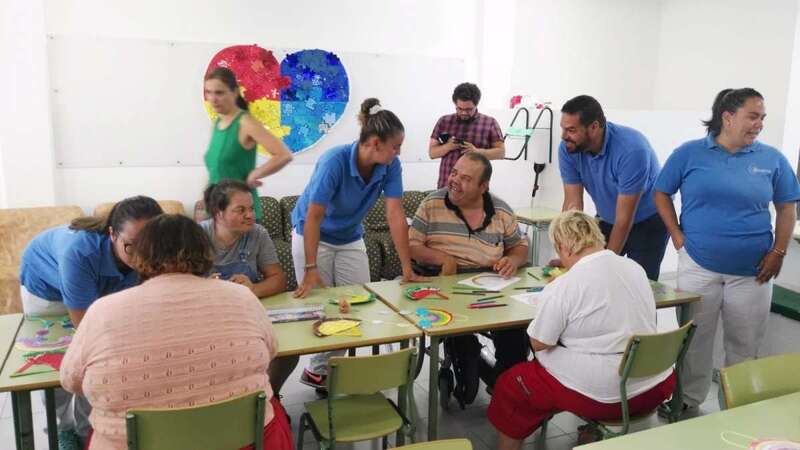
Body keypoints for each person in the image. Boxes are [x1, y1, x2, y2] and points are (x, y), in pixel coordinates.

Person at [60, 214, 293, 450]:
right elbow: (271, 352)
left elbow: (71, 381)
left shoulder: (102, 311)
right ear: (206, 251)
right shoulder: (243, 297)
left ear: (140, 254)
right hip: (249, 440)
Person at [654, 88, 800, 415]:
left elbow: (787, 208)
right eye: (753, 116)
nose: (760, 124)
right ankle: (687, 401)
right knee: (695, 340)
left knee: (744, 345)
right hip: (698, 264)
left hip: (753, 271)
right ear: (728, 117)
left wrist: (779, 251)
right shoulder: (689, 154)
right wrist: (677, 236)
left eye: (762, 117)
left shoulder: (772, 159)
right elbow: (661, 193)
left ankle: (738, 409)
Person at [487, 210, 676, 450]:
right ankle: (592, 432)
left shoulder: (565, 285)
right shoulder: (634, 268)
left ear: (564, 248)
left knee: (511, 386)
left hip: (609, 393)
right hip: (657, 382)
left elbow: (538, 342)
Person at [291, 97, 425, 388]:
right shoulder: (334, 161)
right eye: (395, 146)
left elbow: (395, 214)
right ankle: (319, 371)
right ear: (375, 143)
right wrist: (311, 267)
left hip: (350, 235)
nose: (398, 152)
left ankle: (333, 369)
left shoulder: (391, 166)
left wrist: (407, 268)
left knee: (360, 304)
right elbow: (313, 217)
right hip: (313, 235)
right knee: (325, 306)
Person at [19, 196, 163, 449]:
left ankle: (87, 428)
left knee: (100, 363)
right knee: (67, 361)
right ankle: (63, 429)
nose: (143, 256)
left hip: (97, 287)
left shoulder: (144, 251)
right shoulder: (79, 251)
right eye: (132, 245)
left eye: (151, 246)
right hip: (46, 292)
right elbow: (86, 329)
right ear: (112, 234)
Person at [409, 152, 529, 389]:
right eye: (453, 173)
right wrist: (444, 258)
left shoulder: (501, 210)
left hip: (489, 285)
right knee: (460, 332)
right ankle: (470, 364)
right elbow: (411, 246)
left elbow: (519, 245)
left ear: (483, 186)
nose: (454, 180)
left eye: (465, 178)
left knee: (515, 329)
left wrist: (513, 261)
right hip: (443, 284)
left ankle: (505, 384)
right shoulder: (432, 204)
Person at [201, 179, 298, 394]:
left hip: (247, 315)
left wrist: (253, 289)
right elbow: (178, 285)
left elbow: (278, 279)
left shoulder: (258, 234)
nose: (250, 216)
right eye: (241, 210)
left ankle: (269, 397)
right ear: (218, 212)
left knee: (289, 351)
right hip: (209, 319)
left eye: (252, 209)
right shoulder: (197, 236)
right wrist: (205, 288)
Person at [557, 95, 668, 280]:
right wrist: (567, 251)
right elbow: (572, 204)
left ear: (594, 127)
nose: (563, 136)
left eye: (571, 130)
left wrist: (605, 265)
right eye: (563, 128)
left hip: (647, 222)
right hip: (607, 218)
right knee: (592, 278)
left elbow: (624, 218)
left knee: (637, 285)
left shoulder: (632, 150)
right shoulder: (568, 148)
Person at [204, 66, 293, 221]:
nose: (213, 98)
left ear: (235, 92)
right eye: (208, 92)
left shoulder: (245, 122)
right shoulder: (217, 123)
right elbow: (215, 173)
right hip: (217, 212)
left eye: (219, 92)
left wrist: (255, 174)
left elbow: (284, 155)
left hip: (241, 215)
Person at [429, 82, 505, 189]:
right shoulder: (444, 121)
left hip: (475, 189)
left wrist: (477, 152)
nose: (464, 113)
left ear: (476, 104)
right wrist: (448, 146)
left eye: (468, 109)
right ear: (455, 104)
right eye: (459, 109)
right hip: (446, 186)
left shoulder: (490, 123)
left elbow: (501, 153)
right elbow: (432, 153)